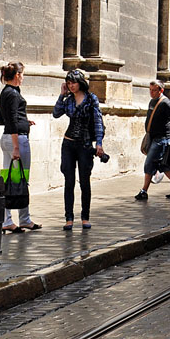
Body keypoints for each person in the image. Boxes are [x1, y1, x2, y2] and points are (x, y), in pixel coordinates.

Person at [52, 69, 105, 229]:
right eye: (68, 83)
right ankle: (69, 218)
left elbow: (97, 121)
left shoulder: (91, 99)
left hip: (84, 144)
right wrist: (62, 95)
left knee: (84, 181)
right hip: (68, 144)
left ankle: (85, 217)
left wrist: (99, 143)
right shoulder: (67, 100)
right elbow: (55, 113)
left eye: (73, 82)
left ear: (80, 82)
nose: (71, 85)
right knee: (68, 181)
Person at [0, 61, 40, 232]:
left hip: (6, 138)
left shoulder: (5, 92)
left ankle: (7, 219)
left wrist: (24, 121)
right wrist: (16, 146)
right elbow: (13, 121)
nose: (23, 78)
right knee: (21, 179)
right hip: (17, 140)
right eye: (22, 75)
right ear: (17, 75)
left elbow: (3, 119)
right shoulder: (14, 94)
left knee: (8, 180)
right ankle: (24, 219)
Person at [135, 80, 170, 201]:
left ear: (161, 90)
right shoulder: (152, 101)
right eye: (150, 90)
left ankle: (144, 191)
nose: (152, 92)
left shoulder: (165, 103)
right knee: (163, 165)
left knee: (149, 163)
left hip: (162, 139)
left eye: (154, 90)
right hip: (153, 137)